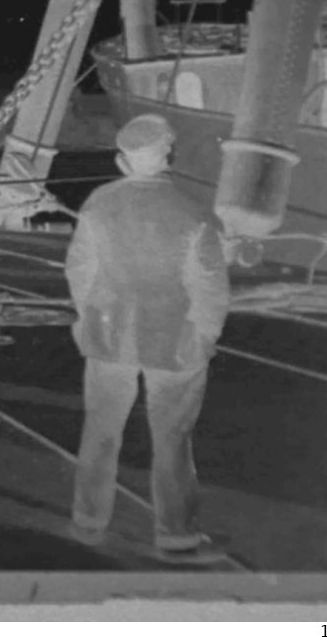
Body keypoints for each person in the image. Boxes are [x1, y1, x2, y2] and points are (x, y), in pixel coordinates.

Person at [65, 113, 231, 565]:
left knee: (101, 430)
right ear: (168, 155)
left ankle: (88, 522)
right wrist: (206, 334)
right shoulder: (193, 210)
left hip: (108, 335)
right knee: (173, 437)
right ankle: (177, 537)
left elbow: (80, 269)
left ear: (123, 161)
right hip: (174, 341)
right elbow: (211, 286)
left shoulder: (98, 203)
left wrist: (92, 316)